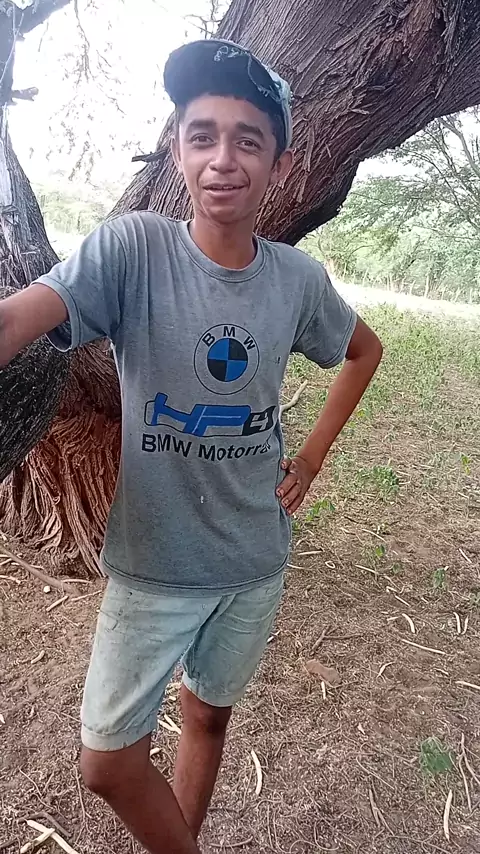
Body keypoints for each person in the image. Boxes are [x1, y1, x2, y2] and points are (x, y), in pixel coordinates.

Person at [0, 40, 382, 854]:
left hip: (253, 559)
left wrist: (311, 458)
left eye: (249, 140)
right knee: (108, 762)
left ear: (279, 165)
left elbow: (363, 351)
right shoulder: (134, 250)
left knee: (208, 714)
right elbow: (18, 317)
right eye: (202, 134)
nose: (223, 158)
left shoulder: (296, 281)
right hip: (153, 562)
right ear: (176, 148)